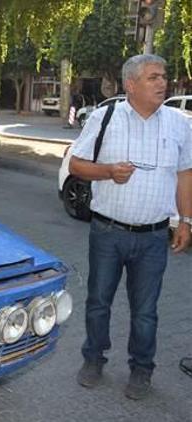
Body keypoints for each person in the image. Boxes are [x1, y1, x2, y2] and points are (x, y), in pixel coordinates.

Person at [70, 54, 192, 400]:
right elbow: (77, 164)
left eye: (164, 76)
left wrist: (186, 220)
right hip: (108, 232)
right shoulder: (105, 117)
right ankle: (93, 359)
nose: (162, 83)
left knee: (145, 311)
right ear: (131, 85)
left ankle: (142, 370)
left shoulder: (179, 123)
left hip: (154, 236)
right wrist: (108, 171)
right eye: (153, 77)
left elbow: (186, 174)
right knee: (98, 302)